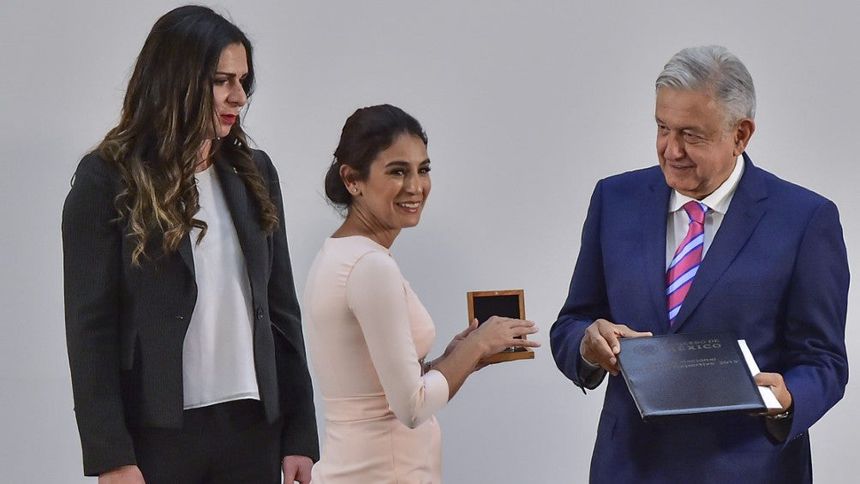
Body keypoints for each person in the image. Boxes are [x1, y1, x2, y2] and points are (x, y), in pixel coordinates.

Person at [550, 45, 849, 483]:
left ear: (741, 135)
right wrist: (587, 345)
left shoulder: (804, 220)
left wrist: (788, 398)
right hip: (628, 467)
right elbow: (571, 322)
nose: (671, 150)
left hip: (748, 468)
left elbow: (824, 361)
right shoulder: (615, 200)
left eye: (691, 135)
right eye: (662, 128)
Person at [62, 6, 318, 483]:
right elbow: (89, 330)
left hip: (253, 428)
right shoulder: (107, 179)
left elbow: (282, 310)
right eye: (222, 81)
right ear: (175, 79)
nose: (239, 96)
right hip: (158, 435)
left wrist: (301, 431)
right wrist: (111, 455)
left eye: (243, 81)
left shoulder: (255, 172)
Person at [303, 104, 540, 483]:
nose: (415, 187)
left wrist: (456, 358)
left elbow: (376, 392)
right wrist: (476, 346)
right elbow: (412, 407)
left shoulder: (339, 254)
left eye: (423, 170)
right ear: (352, 180)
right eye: (398, 171)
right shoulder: (371, 266)